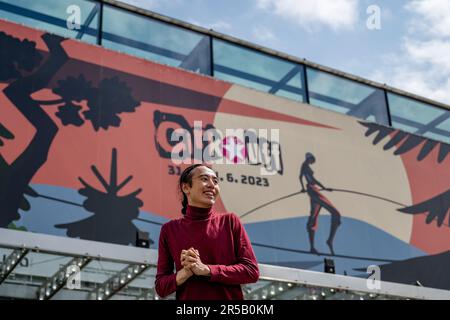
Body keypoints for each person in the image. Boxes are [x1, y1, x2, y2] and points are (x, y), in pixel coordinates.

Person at [155, 164, 259, 300]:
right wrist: (185, 272)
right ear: (186, 187)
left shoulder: (230, 221)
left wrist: (207, 270)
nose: (212, 185)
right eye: (204, 179)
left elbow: (251, 271)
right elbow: (161, 288)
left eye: (215, 181)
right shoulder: (169, 230)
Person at [299, 152, 341, 255]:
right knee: (336, 214)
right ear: (309, 158)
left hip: (312, 190)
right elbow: (312, 179)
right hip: (314, 191)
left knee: (313, 218)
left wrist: (303, 188)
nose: (312, 161)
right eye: (312, 159)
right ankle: (330, 241)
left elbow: (300, 177)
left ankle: (313, 247)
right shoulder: (305, 166)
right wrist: (324, 187)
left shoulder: (305, 166)